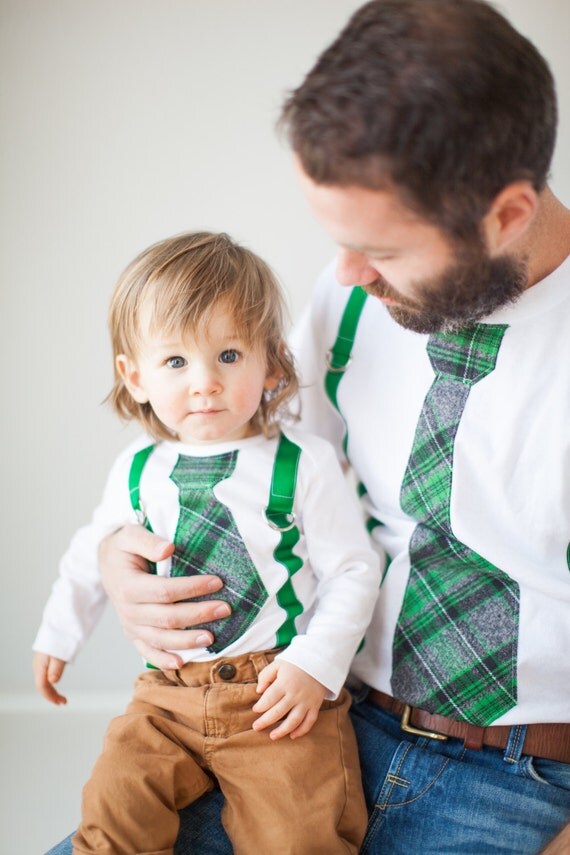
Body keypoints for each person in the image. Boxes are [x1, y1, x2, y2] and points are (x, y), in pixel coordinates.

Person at [45, 1, 570, 853]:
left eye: (386, 252)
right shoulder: (355, 295)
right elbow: (260, 462)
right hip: (302, 714)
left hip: (520, 783)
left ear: (505, 214)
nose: (348, 278)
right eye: (339, 243)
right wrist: (117, 554)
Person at [34, 230, 381, 854]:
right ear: (133, 375)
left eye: (227, 356)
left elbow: (355, 570)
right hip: (167, 697)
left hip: (273, 697)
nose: (205, 383)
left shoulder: (302, 462)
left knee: (298, 832)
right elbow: (95, 551)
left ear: (271, 363)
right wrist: (59, 635)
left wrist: (315, 666)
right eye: (176, 362)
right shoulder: (138, 468)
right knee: (114, 804)